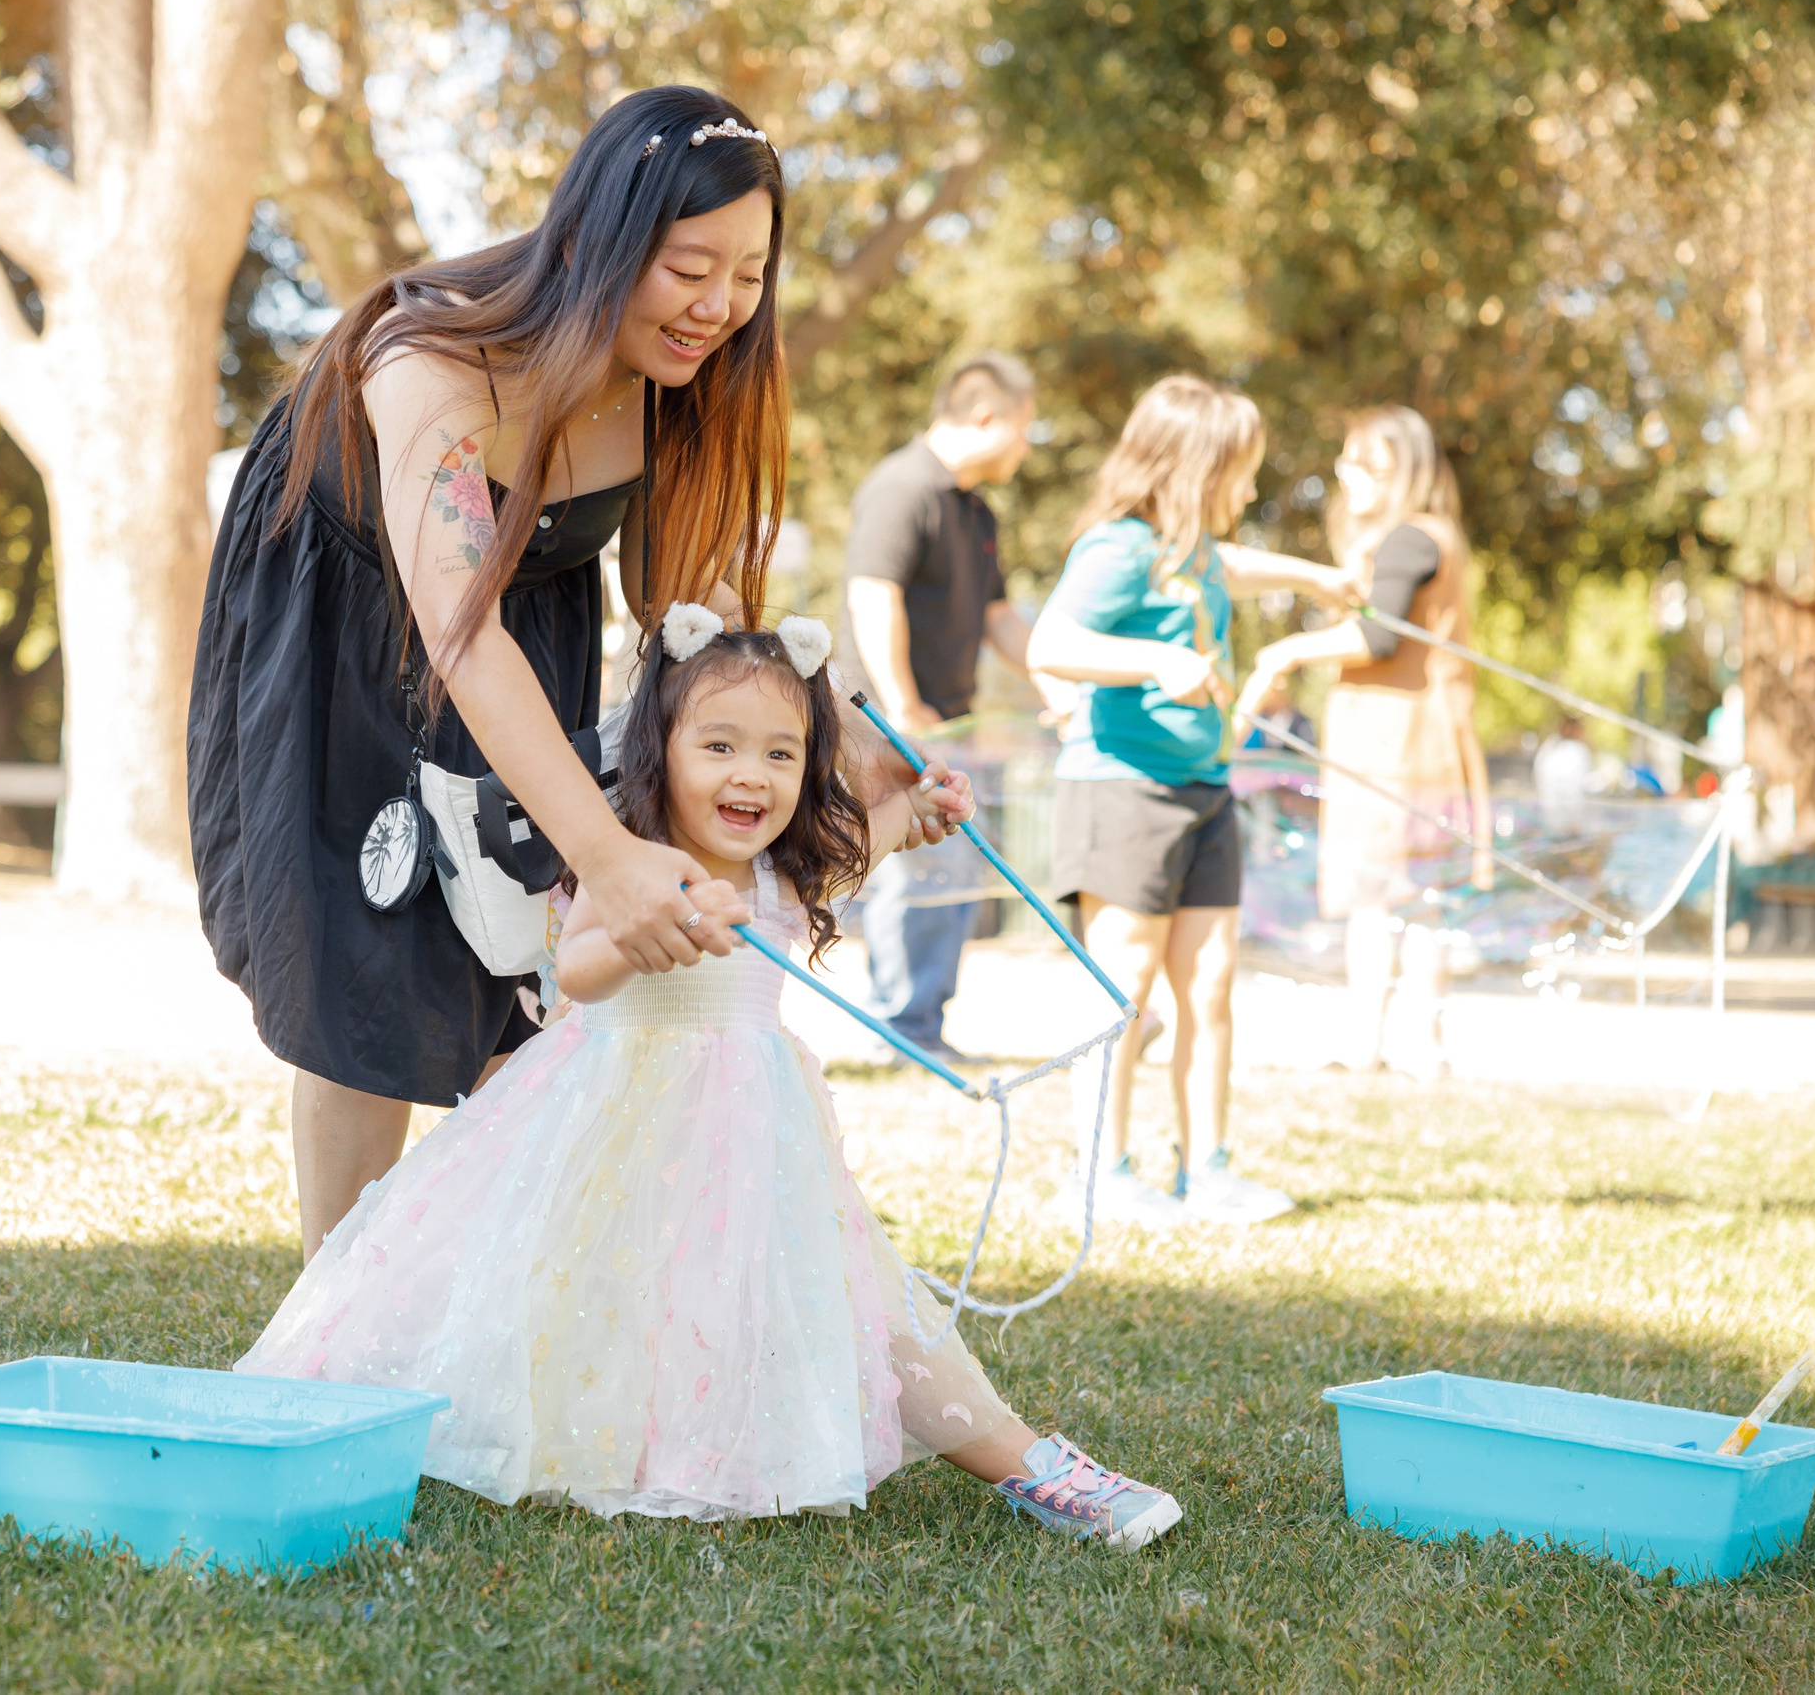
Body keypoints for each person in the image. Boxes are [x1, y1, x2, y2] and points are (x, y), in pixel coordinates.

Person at [190, 86, 964, 1260]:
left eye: (748, 274)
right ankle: (332, 1318)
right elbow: (459, 633)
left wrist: (854, 742)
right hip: (344, 631)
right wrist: (607, 856)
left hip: (523, 631)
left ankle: (494, 1302)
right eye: (687, 267)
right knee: (364, 965)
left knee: (516, 966)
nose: (718, 306)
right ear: (597, 242)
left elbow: (696, 612)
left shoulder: (677, 386)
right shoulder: (431, 356)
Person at [238, 609, 1182, 1547]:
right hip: (613, 1120)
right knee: (583, 1287)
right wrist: (651, 937)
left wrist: (923, 809)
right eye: (720, 745)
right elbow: (580, 970)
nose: (750, 774)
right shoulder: (633, 864)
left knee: (818, 1293)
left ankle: (1027, 1466)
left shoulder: (786, 875)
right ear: (662, 748)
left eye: (780, 753)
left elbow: (879, 834)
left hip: (750, 1137)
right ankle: (411, 1412)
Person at [1027, 375, 1358, 1226]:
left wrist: (1320, 579)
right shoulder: (1118, 548)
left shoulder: (1196, 552)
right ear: (1194, 469)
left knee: (1210, 988)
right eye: (1239, 473)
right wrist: (1158, 662)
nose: (1247, 493)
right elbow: (1050, 642)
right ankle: (1102, 1174)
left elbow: (1236, 568)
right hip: (1124, 789)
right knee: (1124, 989)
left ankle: (1207, 1169)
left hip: (1205, 789)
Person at [1235, 407, 1490, 1078]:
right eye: (1346, 460)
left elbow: (1380, 636)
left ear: (1403, 469)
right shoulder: (1432, 536)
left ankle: (1390, 1042)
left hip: (1400, 743)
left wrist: (1286, 652)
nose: (1348, 475)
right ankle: (1396, 1043)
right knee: (1407, 898)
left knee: (1394, 897)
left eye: (1366, 462)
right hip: (1411, 739)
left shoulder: (1410, 539)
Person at [842, 353, 1039, 1062]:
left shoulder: (977, 511)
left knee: (950, 872)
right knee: (912, 871)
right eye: (1024, 428)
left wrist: (1062, 688)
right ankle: (900, 1031)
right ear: (985, 416)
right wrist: (903, 706)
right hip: (891, 725)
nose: (1026, 446)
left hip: (952, 723)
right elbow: (873, 595)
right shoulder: (902, 487)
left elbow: (1000, 619)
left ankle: (921, 1025)